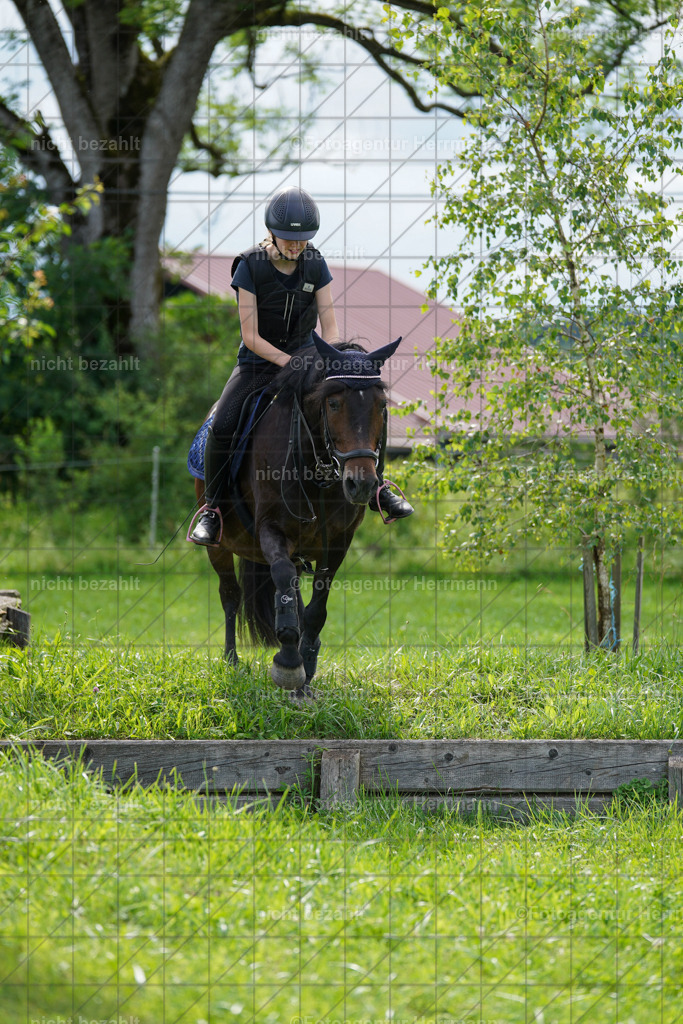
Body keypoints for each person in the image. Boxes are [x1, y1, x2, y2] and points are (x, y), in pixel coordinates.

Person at [189, 185, 413, 546]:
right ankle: (213, 511)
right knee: (223, 422)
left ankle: (379, 489)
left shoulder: (315, 262)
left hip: (310, 363)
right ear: (272, 234)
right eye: (289, 240)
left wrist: (330, 359)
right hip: (256, 366)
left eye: (303, 240)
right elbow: (250, 336)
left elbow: (331, 325)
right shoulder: (248, 266)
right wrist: (288, 361)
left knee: (362, 409)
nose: (297, 246)